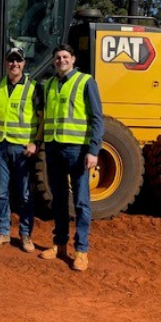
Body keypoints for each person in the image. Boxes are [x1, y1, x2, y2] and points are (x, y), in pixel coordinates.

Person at [39, 44, 104, 271]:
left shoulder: (85, 82)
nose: (61, 60)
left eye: (65, 56)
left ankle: (81, 250)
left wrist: (93, 151)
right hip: (54, 149)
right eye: (57, 57)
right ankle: (59, 244)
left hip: (77, 151)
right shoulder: (49, 85)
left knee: (81, 202)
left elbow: (97, 118)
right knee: (58, 200)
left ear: (73, 59)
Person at [0, 47, 42, 252]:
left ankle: (25, 235)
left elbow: (42, 118)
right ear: (6, 62)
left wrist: (35, 143)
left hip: (22, 149)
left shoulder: (33, 88)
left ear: (24, 63)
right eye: (11, 60)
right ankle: (3, 232)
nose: (14, 64)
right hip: (1, 146)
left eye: (18, 61)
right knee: (2, 192)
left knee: (24, 194)